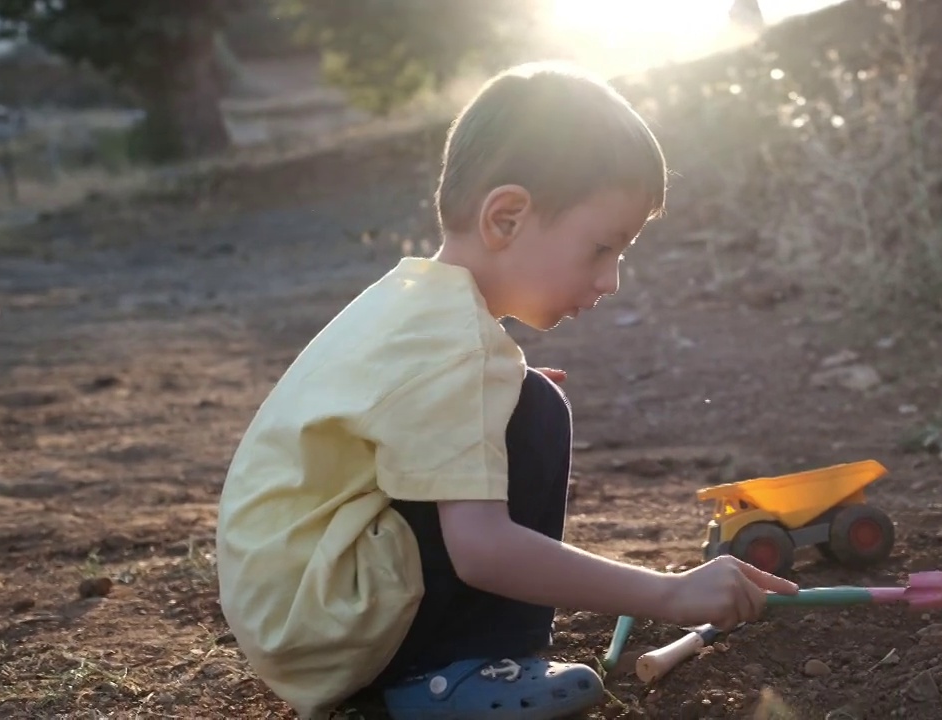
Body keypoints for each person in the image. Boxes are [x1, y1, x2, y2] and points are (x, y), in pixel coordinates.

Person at [214, 61, 799, 720]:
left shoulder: (411, 304)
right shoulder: (451, 347)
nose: (611, 280)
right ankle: (450, 677)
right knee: (532, 411)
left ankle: (453, 663)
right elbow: (483, 550)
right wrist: (666, 594)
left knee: (529, 405)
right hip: (320, 622)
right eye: (602, 247)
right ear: (508, 218)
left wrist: (497, 408)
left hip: (293, 607)